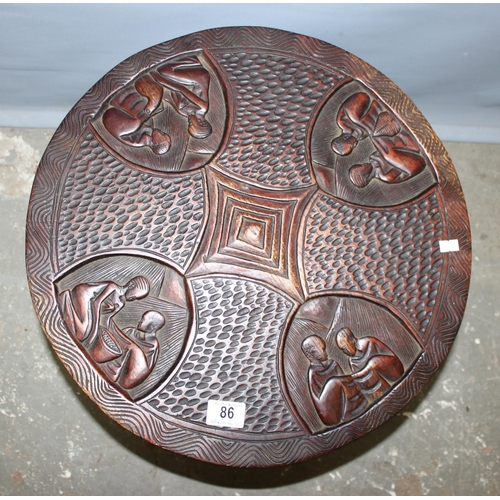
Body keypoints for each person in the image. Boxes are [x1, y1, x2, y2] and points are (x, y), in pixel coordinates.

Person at [102, 53, 212, 154]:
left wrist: (156, 93)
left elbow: (171, 97)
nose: (189, 122)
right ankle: (192, 59)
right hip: (198, 77)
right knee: (164, 71)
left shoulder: (137, 133)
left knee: (159, 81)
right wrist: (158, 80)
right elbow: (181, 89)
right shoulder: (202, 107)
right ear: (202, 122)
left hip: (118, 109)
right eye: (192, 124)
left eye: (189, 125)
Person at [330, 92, 426, 188]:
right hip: (414, 141)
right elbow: (416, 165)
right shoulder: (386, 174)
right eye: (363, 166)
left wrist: (361, 124)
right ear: (366, 176)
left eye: (352, 145)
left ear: (345, 138)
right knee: (388, 155)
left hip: (389, 106)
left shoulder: (345, 121)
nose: (355, 144)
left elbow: (363, 96)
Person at [59, 276, 150, 353]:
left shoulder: (121, 303)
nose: (133, 298)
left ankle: (67, 306)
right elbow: (96, 303)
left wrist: (105, 332)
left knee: (83, 333)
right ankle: (65, 298)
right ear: (131, 285)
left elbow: (107, 318)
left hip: (92, 306)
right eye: (134, 295)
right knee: (82, 332)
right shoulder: (113, 287)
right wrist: (94, 331)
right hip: (85, 294)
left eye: (136, 299)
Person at [302, 335, 368, 426]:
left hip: (341, 403)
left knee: (343, 382)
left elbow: (345, 382)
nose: (326, 353)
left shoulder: (333, 364)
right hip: (328, 410)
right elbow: (319, 397)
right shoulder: (313, 373)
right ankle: (350, 413)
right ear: (312, 354)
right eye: (322, 350)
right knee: (334, 382)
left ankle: (357, 409)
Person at [100, 311, 165, 390]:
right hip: (108, 364)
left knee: (134, 349)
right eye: (141, 319)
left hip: (126, 376)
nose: (140, 321)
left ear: (151, 328)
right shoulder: (130, 331)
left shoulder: (152, 346)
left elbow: (142, 370)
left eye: (143, 320)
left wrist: (133, 349)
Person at [336, 327, 404, 402]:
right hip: (377, 387)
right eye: (342, 350)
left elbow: (392, 358)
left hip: (393, 370)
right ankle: (383, 398)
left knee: (374, 362)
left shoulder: (369, 342)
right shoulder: (352, 361)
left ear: (352, 340)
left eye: (345, 348)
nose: (345, 352)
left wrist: (371, 366)